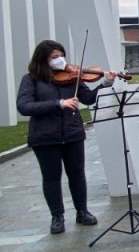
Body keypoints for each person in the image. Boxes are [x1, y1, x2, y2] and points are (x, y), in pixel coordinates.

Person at [16, 40, 118, 234]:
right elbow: (24, 106)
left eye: (62, 55)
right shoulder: (31, 79)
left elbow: (88, 98)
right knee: (51, 177)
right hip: (45, 136)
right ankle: (57, 216)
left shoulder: (72, 77)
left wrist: (106, 83)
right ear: (43, 59)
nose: (60, 60)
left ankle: (82, 211)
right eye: (54, 57)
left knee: (77, 174)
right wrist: (58, 103)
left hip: (72, 133)